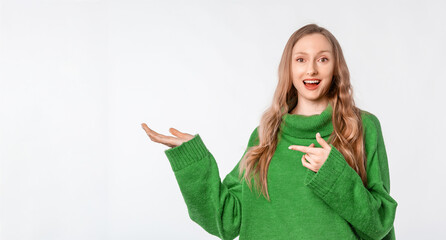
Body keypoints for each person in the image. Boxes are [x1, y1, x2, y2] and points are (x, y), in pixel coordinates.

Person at [141, 23, 398, 240]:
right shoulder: (265, 135)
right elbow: (227, 220)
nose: (311, 69)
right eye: (301, 59)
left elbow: (379, 223)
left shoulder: (361, 128)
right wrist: (193, 161)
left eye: (322, 59)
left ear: (336, 68)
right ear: (289, 68)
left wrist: (334, 173)